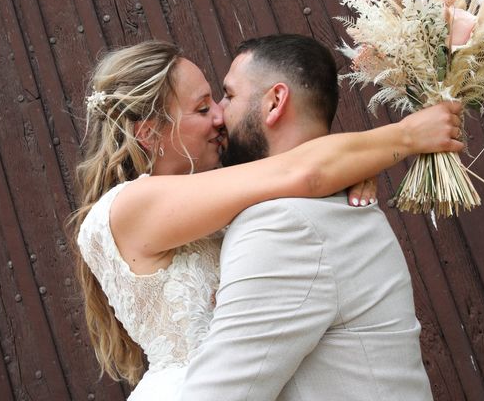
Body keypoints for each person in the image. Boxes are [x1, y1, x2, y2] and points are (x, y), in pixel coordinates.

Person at [71, 39, 463, 400]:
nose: (220, 118)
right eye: (203, 108)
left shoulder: (226, 204)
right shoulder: (131, 206)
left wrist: (352, 167)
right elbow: (296, 173)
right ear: (151, 133)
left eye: (220, 101)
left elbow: (293, 176)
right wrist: (406, 137)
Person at [178, 34, 441, 400]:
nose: (219, 114)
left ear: (275, 102)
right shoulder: (327, 208)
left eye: (229, 95)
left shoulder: (285, 225)